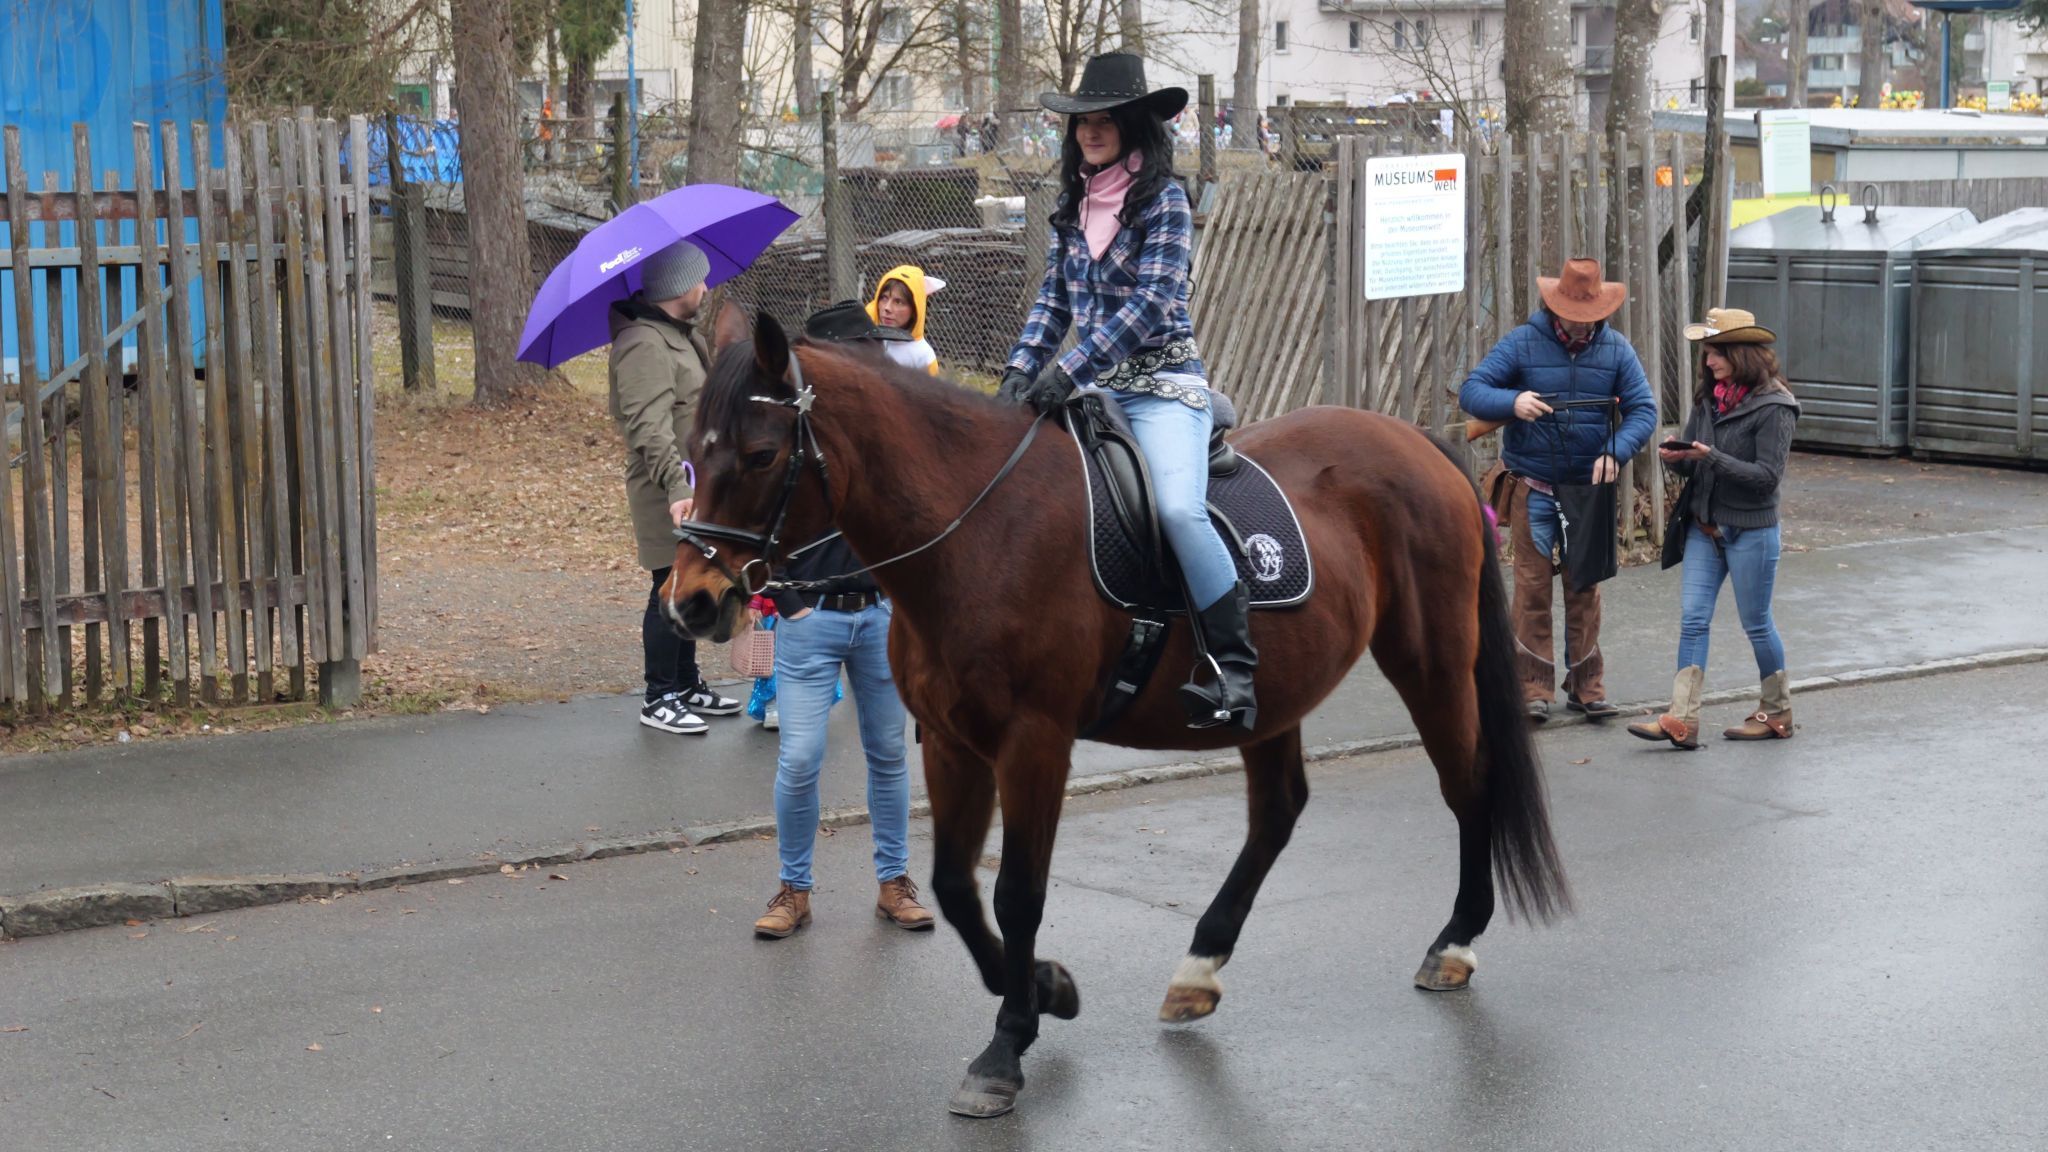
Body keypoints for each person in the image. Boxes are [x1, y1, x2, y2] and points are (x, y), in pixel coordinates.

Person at [997, 51, 1257, 731]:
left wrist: (1069, 369)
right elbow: (1052, 301)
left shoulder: (1165, 199)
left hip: (1163, 386)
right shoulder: (1072, 202)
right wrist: (1019, 372)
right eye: (1084, 119)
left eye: (1107, 118)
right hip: (1093, 392)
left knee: (1175, 510)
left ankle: (1234, 670)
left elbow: (1150, 304)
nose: (1092, 129)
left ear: (1135, 123)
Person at [751, 302, 935, 939]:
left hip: (880, 618)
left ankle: (893, 884)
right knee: (800, 760)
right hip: (812, 618)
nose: (877, 361)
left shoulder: (888, 437)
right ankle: (793, 890)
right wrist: (788, 600)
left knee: (887, 755)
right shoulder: (793, 438)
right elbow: (755, 520)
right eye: (865, 349)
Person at [1459, 257, 1657, 723]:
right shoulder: (1523, 343)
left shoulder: (1617, 350)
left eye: (1591, 317)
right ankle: (1531, 689)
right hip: (1534, 487)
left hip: (1587, 492)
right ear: (1556, 307)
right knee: (1530, 590)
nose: (1584, 326)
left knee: (1584, 587)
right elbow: (1472, 391)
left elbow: (1644, 411)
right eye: (1576, 316)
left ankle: (1587, 688)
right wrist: (1513, 401)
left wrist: (1616, 452)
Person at [1630, 308, 1801, 750]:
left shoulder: (1776, 406)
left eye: (1716, 353)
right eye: (1706, 353)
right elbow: (1698, 465)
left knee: (1757, 623)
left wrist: (1709, 457)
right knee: (1693, 620)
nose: (1708, 362)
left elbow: (1767, 477)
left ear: (1741, 353)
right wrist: (1682, 459)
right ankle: (1681, 719)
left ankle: (1777, 711)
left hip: (1751, 532)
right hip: (1704, 529)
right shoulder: (1708, 399)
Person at [608, 239, 743, 735]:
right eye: (699, 278)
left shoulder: (683, 337)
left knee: (690, 579)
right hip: (667, 490)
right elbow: (647, 426)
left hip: (695, 486)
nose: (705, 287)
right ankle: (658, 695)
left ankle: (685, 684)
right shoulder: (643, 343)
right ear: (677, 285)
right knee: (667, 584)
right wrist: (674, 489)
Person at [864, 265, 946, 376]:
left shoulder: (923, 356)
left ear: (915, 309)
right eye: (884, 298)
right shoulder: (865, 339)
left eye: (898, 302)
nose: (887, 308)